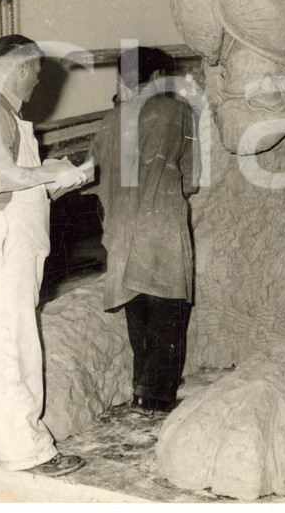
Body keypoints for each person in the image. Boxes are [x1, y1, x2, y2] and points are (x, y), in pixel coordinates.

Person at [0, 34, 87, 477]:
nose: (37, 82)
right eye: (35, 72)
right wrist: (53, 171)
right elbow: (0, 180)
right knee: (10, 344)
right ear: (19, 67)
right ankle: (27, 450)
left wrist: (54, 179)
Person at [86, 46, 198, 414]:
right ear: (155, 78)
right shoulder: (177, 112)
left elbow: (98, 174)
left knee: (139, 308)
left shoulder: (110, 119)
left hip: (119, 227)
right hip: (160, 223)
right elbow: (192, 179)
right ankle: (159, 397)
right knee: (168, 310)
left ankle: (141, 389)